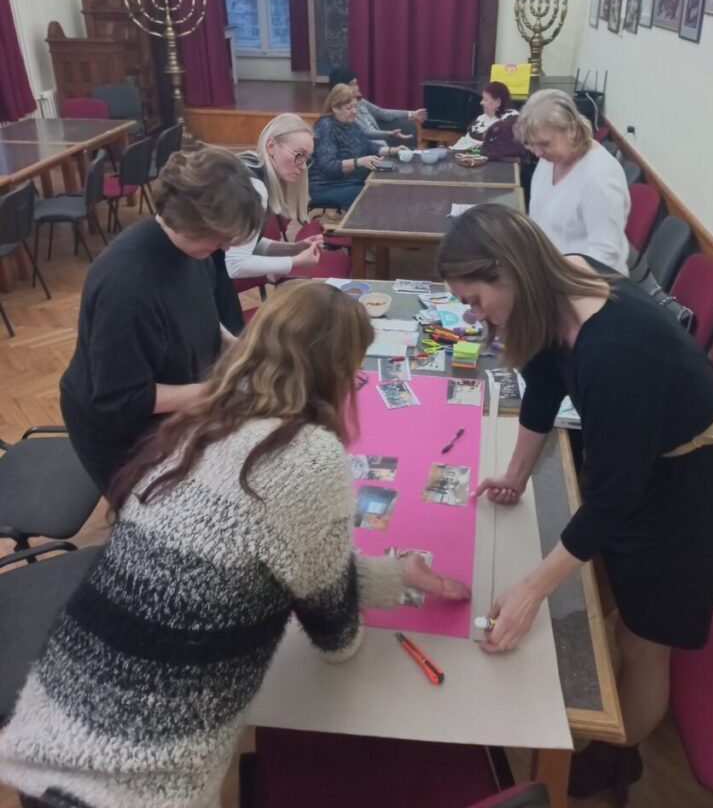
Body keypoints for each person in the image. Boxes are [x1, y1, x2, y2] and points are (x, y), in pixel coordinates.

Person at [0, 281, 470, 808]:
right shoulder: (310, 456)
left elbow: (270, 560)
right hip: (140, 785)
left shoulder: (201, 423)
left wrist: (394, 575)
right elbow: (335, 632)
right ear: (339, 371)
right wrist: (375, 591)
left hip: (48, 741)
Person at [438, 205, 713, 802]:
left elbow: (613, 499)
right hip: (653, 461)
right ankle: (609, 706)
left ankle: (616, 758)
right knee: (610, 578)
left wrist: (533, 589)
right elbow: (544, 384)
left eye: (476, 300)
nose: (473, 315)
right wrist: (514, 475)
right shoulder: (556, 280)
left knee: (644, 644)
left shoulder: (611, 352)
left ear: (508, 271)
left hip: (701, 489)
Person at [59, 145, 262, 496]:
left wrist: (244, 351)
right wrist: (223, 390)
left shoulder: (194, 251)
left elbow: (200, 315)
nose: (226, 248)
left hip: (170, 408)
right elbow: (124, 399)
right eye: (222, 238)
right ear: (191, 222)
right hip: (121, 433)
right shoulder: (125, 287)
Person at [517, 89, 631, 275]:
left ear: (571, 129)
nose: (537, 152)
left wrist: (551, 277)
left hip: (585, 283)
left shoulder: (600, 177)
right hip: (549, 272)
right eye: (530, 144)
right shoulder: (551, 158)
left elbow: (604, 258)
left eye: (544, 144)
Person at [225, 114, 328, 281]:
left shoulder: (251, 166)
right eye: (299, 154)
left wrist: (292, 249)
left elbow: (247, 243)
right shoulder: (254, 187)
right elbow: (235, 265)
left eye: (306, 158)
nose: (303, 166)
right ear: (271, 146)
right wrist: (296, 261)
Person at [309, 84, 405, 210]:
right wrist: (359, 162)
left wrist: (392, 151)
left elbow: (367, 144)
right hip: (329, 187)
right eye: (349, 108)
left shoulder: (350, 123)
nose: (354, 111)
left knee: (390, 184)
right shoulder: (325, 126)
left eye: (355, 107)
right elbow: (329, 166)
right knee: (377, 195)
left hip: (352, 182)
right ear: (335, 108)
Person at [328, 66, 426, 146]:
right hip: (365, 145)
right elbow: (367, 132)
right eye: (352, 84)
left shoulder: (360, 101)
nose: (357, 87)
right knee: (381, 144)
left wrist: (411, 114)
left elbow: (382, 113)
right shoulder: (343, 111)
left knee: (404, 130)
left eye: (356, 83)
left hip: (379, 139)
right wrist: (390, 134)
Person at [451, 81, 520, 153]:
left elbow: (502, 148)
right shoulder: (481, 118)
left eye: (485, 99)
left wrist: (475, 150)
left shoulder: (510, 120)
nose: (481, 103)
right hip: (459, 153)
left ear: (498, 102)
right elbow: (465, 139)